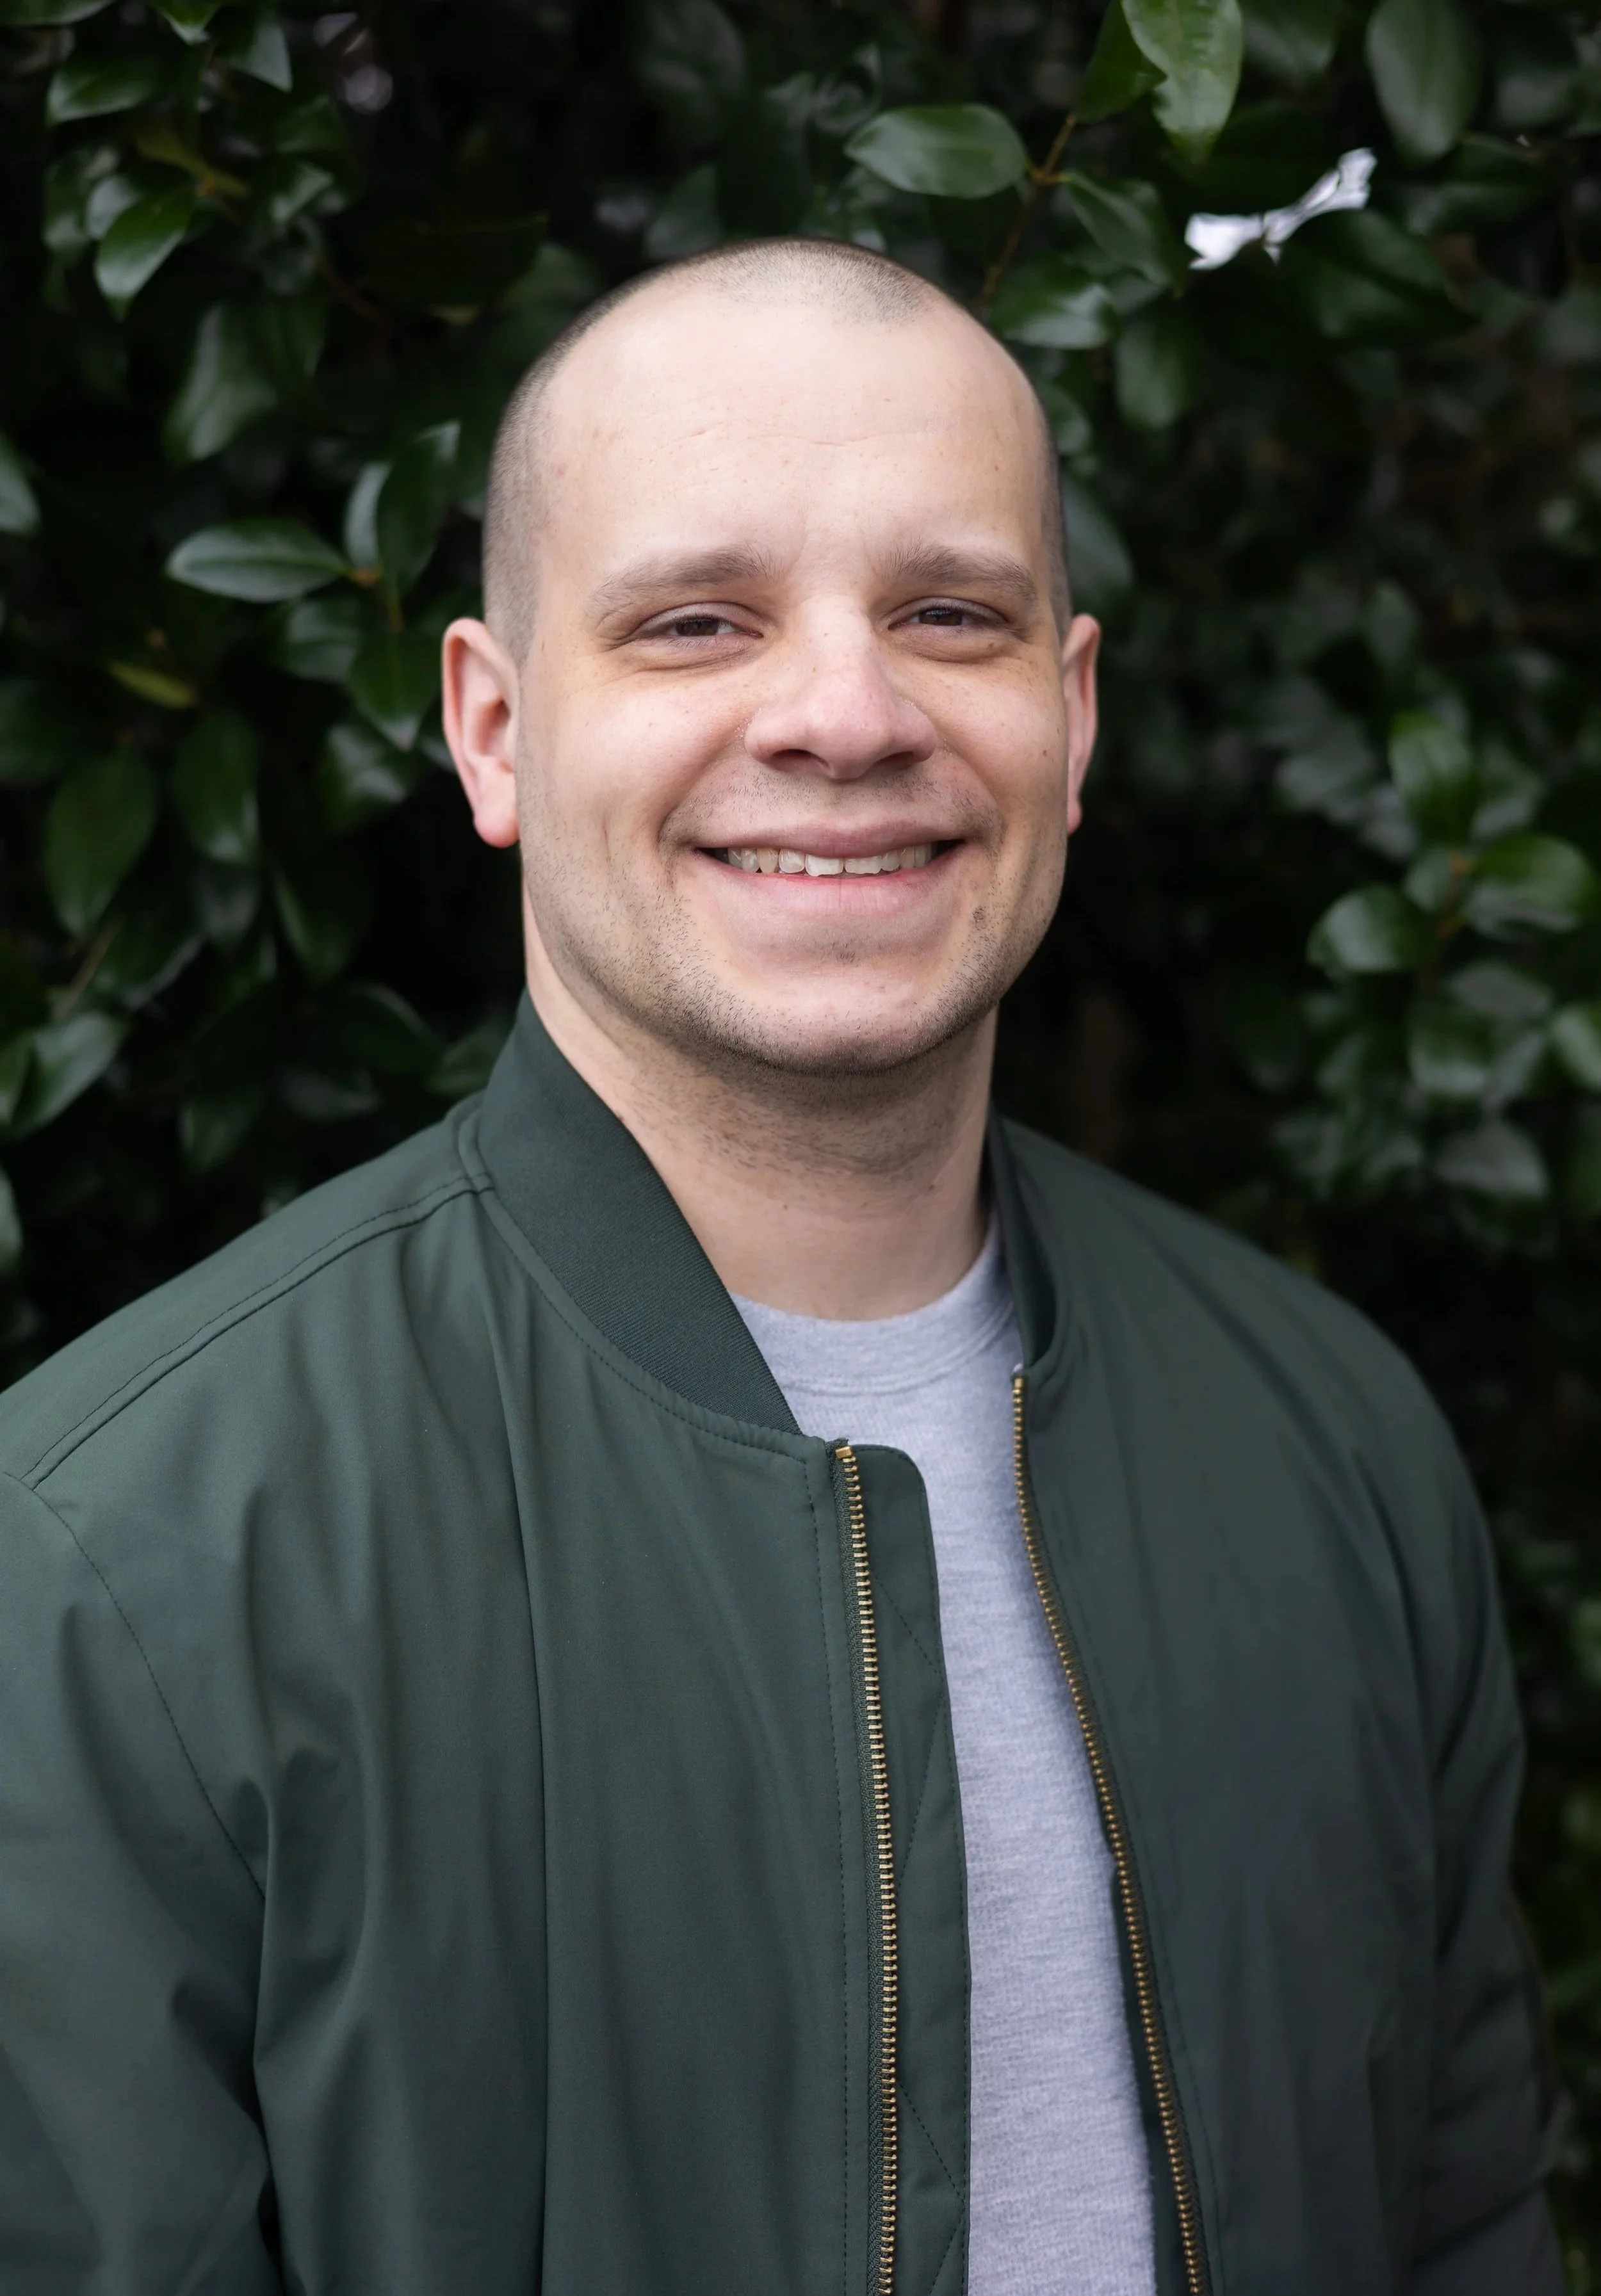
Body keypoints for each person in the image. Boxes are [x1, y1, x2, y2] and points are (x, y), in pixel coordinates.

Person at [0, 238, 1563, 2296]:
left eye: (948, 613)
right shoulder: (119, 1557)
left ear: (1068, 717)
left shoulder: (1332, 1446)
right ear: (489, 728)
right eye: (693, 621)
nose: (842, 713)